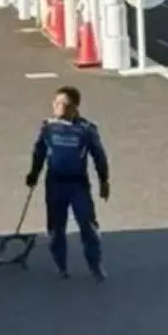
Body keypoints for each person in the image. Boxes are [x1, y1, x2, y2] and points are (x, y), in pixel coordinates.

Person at [26, 85, 110, 281]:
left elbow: (99, 156)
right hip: (55, 184)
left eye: (65, 104)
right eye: (56, 103)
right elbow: (39, 151)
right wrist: (33, 174)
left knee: (88, 225)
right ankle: (61, 266)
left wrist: (104, 180)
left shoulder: (86, 130)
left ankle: (95, 265)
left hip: (77, 185)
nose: (59, 108)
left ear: (75, 107)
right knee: (56, 228)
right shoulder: (48, 127)